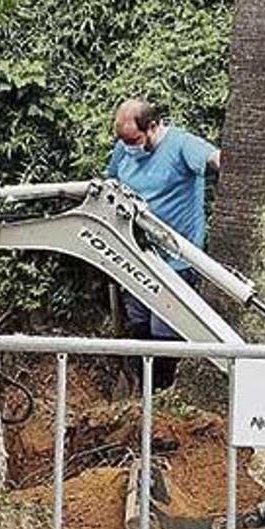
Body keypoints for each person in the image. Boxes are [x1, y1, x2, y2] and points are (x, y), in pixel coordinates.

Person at [106, 98, 222, 389]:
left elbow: (214, 158)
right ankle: (140, 392)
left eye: (134, 140)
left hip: (175, 261)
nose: (129, 148)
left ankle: (161, 393)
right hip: (136, 255)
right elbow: (111, 184)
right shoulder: (123, 149)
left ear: (154, 127)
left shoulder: (182, 145)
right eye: (124, 141)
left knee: (164, 330)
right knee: (138, 323)